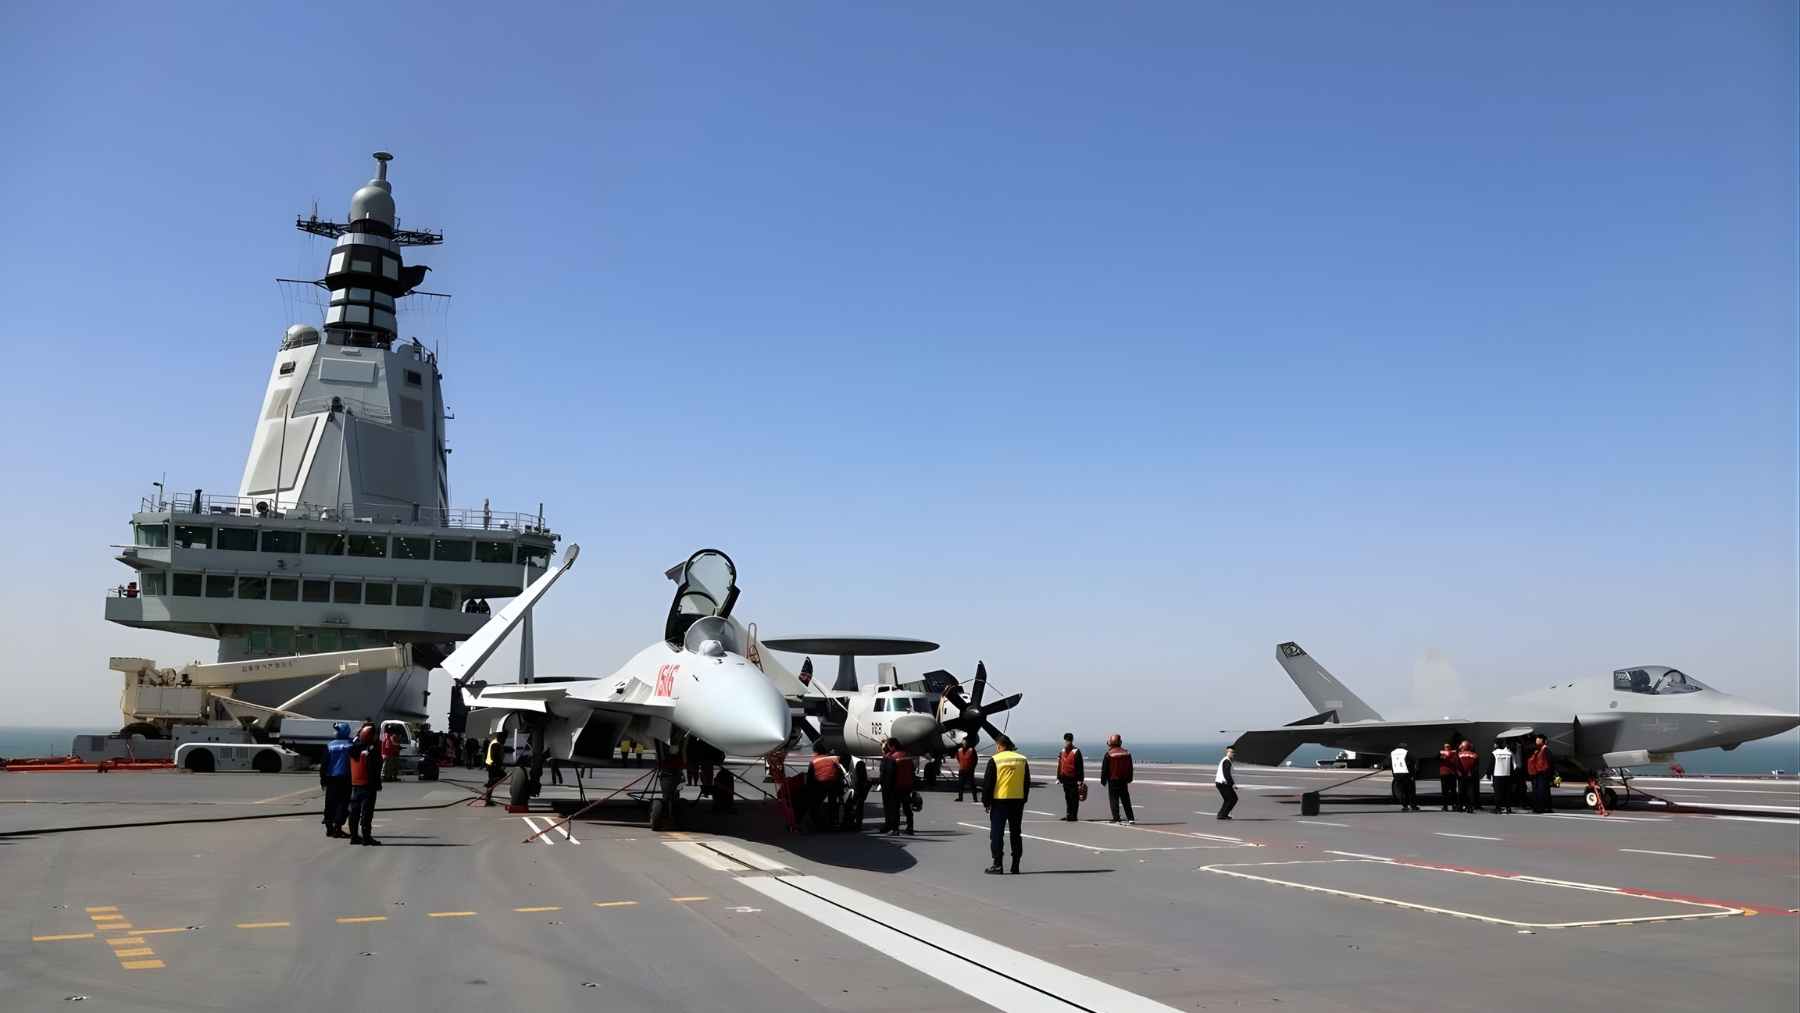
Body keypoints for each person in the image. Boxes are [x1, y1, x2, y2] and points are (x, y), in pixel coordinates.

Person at [982, 735, 1030, 874]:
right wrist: (1023, 799)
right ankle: (1015, 865)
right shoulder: (1022, 760)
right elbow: (1026, 782)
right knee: (1016, 833)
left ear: (999, 746)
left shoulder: (995, 760)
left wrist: (986, 802)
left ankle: (998, 864)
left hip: (1000, 801)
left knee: (997, 833)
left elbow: (988, 783)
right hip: (1017, 800)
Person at [346, 723, 382, 845]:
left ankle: (354, 836)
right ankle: (366, 837)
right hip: (368, 785)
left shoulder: (353, 749)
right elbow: (375, 768)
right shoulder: (372, 750)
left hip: (355, 784)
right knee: (367, 812)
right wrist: (377, 783)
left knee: (354, 812)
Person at [320, 721, 353, 838]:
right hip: (345, 778)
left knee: (330, 803)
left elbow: (324, 764)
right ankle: (337, 828)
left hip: (331, 779)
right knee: (343, 804)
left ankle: (329, 827)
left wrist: (323, 779)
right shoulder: (351, 745)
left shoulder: (330, 745)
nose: (335, 732)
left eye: (337, 730)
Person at [1100, 734, 1135, 824]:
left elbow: (1105, 769)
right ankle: (1130, 818)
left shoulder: (1109, 754)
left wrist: (1103, 780)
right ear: (1120, 742)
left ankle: (1116, 817)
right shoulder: (1127, 753)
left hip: (1113, 780)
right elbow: (1130, 767)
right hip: (1123, 780)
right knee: (1126, 799)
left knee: (1113, 799)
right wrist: (1130, 778)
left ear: (1111, 743)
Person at [810, 745, 844, 832]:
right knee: (832, 802)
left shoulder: (814, 760)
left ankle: (817, 822)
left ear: (816, 752)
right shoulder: (833, 759)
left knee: (816, 803)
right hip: (833, 783)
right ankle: (833, 822)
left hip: (820, 783)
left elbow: (810, 777)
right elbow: (840, 773)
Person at [1055, 733, 1084, 821]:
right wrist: (1058, 777)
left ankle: (1074, 816)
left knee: (1074, 798)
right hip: (1065, 778)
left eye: (1068, 741)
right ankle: (1068, 814)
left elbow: (1080, 767)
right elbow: (1060, 765)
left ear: (1071, 741)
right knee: (1067, 797)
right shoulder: (1062, 751)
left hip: (1074, 778)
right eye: (1066, 741)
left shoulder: (1076, 751)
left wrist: (1080, 780)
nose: (1067, 742)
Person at [1526, 735, 1554, 813]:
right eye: (1536, 739)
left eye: (1538, 739)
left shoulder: (1545, 750)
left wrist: (1549, 774)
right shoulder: (1538, 749)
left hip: (1542, 774)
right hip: (1537, 773)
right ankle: (1542, 807)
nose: (1537, 741)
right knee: (1541, 791)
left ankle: (1540, 808)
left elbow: (1550, 763)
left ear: (1543, 741)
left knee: (1541, 791)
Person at [481, 733, 509, 806]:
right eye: (504, 739)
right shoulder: (496, 744)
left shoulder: (495, 742)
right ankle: (490, 784)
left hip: (490, 765)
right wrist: (499, 765)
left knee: (493, 781)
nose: (505, 741)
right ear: (501, 738)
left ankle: (488, 799)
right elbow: (495, 756)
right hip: (493, 766)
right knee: (503, 775)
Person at [1389, 741, 1419, 811]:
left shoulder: (1392, 753)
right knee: (1410, 791)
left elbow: (1387, 763)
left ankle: (1405, 806)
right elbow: (1414, 760)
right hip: (1406, 774)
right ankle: (1413, 806)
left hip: (1397, 774)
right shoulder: (1406, 752)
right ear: (1404, 747)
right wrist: (1414, 772)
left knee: (1401, 791)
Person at [1489, 740, 1514, 814]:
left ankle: (1498, 808)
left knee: (1498, 793)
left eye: (1494, 744)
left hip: (1497, 774)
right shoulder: (1509, 753)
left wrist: (1489, 774)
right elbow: (1511, 766)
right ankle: (1508, 808)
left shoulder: (1494, 753)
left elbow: (1491, 765)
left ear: (1496, 745)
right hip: (1507, 775)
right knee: (1507, 793)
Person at [1214, 745, 1238, 819]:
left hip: (1222, 783)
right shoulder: (1226, 761)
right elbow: (1226, 774)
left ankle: (1222, 814)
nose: (1232, 753)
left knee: (1229, 799)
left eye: (1233, 752)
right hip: (1223, 784)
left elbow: (1228, 774)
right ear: (1227, 752)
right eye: (1230, 752)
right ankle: (1222, 815)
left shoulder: (1226, 760)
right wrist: (1232, 784)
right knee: (1233, 799)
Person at [1457, 740, 1480, 813]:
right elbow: (1476, 766)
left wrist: (1458, 773)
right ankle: (1470, 807)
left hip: (1461, 775)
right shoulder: (1475, 755)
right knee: (1470, 792)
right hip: (1470, 775)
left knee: (1461, 791)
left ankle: (1460, 806)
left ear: (1463, 746)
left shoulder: (1459, 754)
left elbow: (1457, 765)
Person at [954, 738, 980, 803]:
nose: (964, 743)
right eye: (963, 742)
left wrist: (972, 768)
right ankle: (960, 798)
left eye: (965, 742)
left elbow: (975, 760)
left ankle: (975, 799)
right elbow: (957, 758)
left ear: (968, 743)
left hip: (969, 770)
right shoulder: (959, 750)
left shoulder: (972, 750)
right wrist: (962, 764)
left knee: (972, 785)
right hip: (962, 770)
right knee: (960, 784)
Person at [1437, 741, 1458, 812]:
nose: (1446, 748)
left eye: (1447, 747)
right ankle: (1452, 805)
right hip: (1449, 774)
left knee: (1446, 791)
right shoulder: (1454, 753)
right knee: (1451, 790)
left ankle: (1446, 806)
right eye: (1446, 747)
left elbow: (1438, 758)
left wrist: (1443, 755)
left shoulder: (1442, 753)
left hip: (1446, 773)